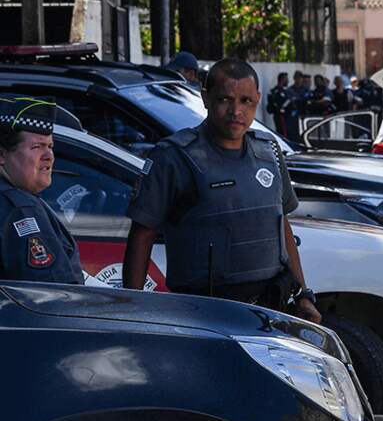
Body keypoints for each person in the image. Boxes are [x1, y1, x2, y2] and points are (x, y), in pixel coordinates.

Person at [121, 59, 321, 323]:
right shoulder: (174, 156)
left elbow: (281, 223)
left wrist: (303, 294)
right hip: (205, 314)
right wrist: (133, 310)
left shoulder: (269, 151)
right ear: (206, 98)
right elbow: (142, 235)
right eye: (225, 99)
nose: (236, 111)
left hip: (270, 311)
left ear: (257, 100)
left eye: (246, 101)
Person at [0, 96, 83, 284]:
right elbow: (54, 293)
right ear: (2, 154)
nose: (49, 156)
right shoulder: (20, 209)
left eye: (51, 146)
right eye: (37, 147)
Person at [267, 72, 293, 138]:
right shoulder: (277, 91)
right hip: (281, 116)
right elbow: (281, 104)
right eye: (286, 79)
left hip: (285, 116)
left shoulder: (284, 90)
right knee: (283, 134)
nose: (288, 81)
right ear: (283, 79)